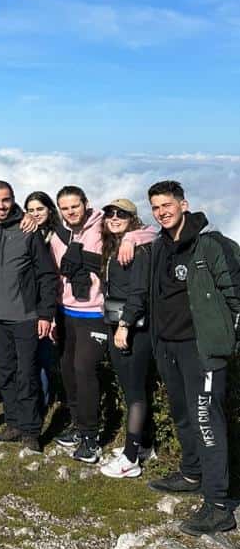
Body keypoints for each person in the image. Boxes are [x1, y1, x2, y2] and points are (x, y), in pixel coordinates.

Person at [145, 181, 240, 535]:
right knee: (184, 414)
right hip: (169, 347)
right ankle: (191, 473)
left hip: (202, 350)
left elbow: (236, 293)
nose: (162, 212)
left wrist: (226, 341)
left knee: (206, 421)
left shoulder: (211, 245)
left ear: (183, 205)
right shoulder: (160, 246)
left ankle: (219, 505)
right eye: (156, 207)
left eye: (167, 205)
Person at [49, 186, 152, 463]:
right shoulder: (58, 235)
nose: (71, 212)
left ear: (86, 204)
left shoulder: (101, 226)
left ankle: (91, 438)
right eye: (65, 208)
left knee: (84, 370)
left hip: (94, 314)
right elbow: (54, 274)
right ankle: (78, 425)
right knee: (68, 371)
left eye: (75, 206)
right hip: (66, 312)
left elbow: (149, 231)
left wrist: (130, 238)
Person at [0, 182, 57, 452]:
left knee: (27, 375)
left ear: (13, 199)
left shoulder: (29, 231)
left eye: (5, 200)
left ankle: (31, 431)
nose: (1, 205)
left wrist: (45, 313)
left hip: (26, 316)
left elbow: (47, 275)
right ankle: (13, 423)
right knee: (5, 373)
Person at [97, 199, 156, 479]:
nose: (114, 217)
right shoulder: (115, 246)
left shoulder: (138, 249)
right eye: (110, 213)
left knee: (134, 392)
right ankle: (144, 445)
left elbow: (139, 292)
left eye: (121, 214)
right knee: (133, 388)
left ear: (132, 218)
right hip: (118, 324)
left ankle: (131, 459)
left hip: (132, 328)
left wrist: (125, 325)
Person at [24, 190, 64, 407]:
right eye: (30, 210)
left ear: (50, 210)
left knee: (49, 354)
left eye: (40, 209)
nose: (35, 214)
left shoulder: (58, 235)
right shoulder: (28, 233)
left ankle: (51, 397)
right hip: (33, 301)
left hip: (56, 300)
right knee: (37, 353)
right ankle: (42, 398)